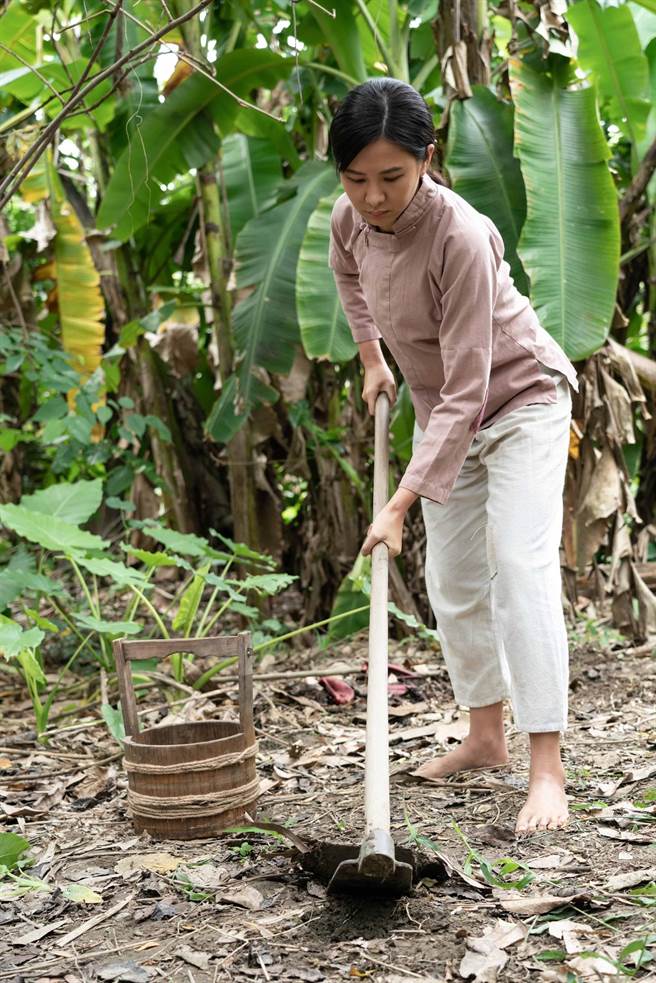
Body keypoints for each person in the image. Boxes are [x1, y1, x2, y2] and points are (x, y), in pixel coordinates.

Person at [328, 77, 579, 835]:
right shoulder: (350, 218)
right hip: (447, 413)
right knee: (453, 579)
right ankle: (485, 735)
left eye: (392, 178)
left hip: (520, 402)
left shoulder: (461, 238)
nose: (373, 197)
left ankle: (547, 768)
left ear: (427, 159)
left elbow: (472, 388)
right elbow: (348, 275)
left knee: (519, 566)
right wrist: (373, 357)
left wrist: (399, 503)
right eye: (356, 179)